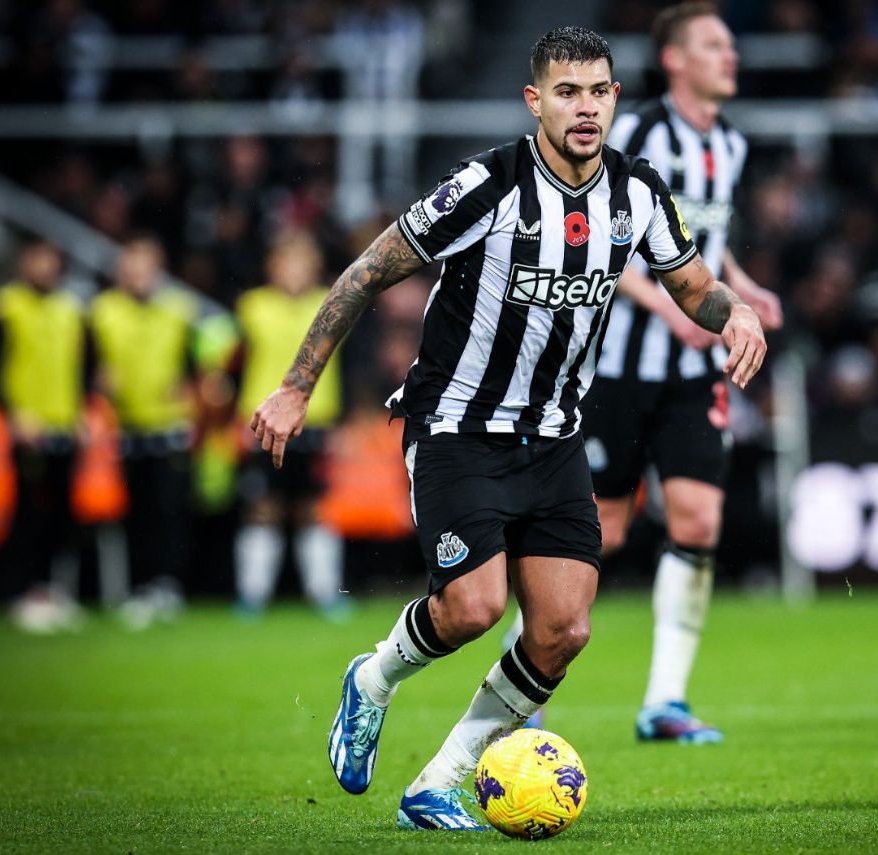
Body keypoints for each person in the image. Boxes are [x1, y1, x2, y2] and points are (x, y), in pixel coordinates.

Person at [249, 26, 766, 832]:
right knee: (471, 608)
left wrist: (734, 316)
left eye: (598, 91)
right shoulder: (485, 185)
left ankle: (439, 782)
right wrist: (294, 385)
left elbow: (693, 284)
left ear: (615, 100)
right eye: (567, 92)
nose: (585, 107)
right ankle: (374, 680)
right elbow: (364, 272)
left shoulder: (637, 192)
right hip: (456, 426)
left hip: (555, 435)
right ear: (536, 102)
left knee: (563, 629)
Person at [580, 2, 783, 743]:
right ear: (674, 60)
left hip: (695, 371)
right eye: (714, 45)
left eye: (730, 45)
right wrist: (665, 300)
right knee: (595, 534)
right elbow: (608, 239)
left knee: (699, 518)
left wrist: (741, 286)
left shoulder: (729, 144)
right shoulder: (635, 135)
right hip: (615, 368)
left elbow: (703, 242)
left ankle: (665, 699)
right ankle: (523, 669)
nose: (730, 56)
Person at [0, 241, 88, 632]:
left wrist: (81, 412)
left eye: (50, 259)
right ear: (24, 262)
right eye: (36, 258)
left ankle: (50, 592)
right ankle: (19, 592)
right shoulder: (5, 307)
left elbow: (82, 367)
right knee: (25, 514)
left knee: (62, 515)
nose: (43, 266)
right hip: (24, 428)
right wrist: (12, 414)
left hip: (63, 425)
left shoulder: (71, 310)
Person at [232, 232, 346, 618]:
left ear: (314, 267)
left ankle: (324, 592)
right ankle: (253, 595)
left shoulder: (331, 303)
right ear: (272, 267)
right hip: (261, 421)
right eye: (286, 262)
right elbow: (234, 363)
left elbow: (347, 364)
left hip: (317, 420)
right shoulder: (252, 307)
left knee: (313, 507)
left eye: (302, 262)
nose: (294, 271)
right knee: (262, 505)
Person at [90, 236, 197, 625]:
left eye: (145, 266)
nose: (137, 275)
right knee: (133, 513)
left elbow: (195, 361)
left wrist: (190, 382)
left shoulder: (178, 310)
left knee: (168, 509)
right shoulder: (102, 311)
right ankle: (137, 588)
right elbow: (90, 363)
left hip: (169, 423)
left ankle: (166, 586)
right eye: (131, 266)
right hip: (123, 425)